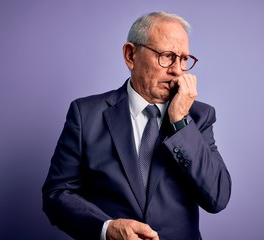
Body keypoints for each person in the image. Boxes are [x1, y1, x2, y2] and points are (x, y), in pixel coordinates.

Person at [42, 11, 231, 240]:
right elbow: (57, 194)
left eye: (183, 59)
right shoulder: (85, 114)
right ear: (131, 55)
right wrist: (106, 228)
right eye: (167, 56)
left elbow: (218, 198)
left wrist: (181, 121)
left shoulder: (199, 117)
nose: (177, 70)